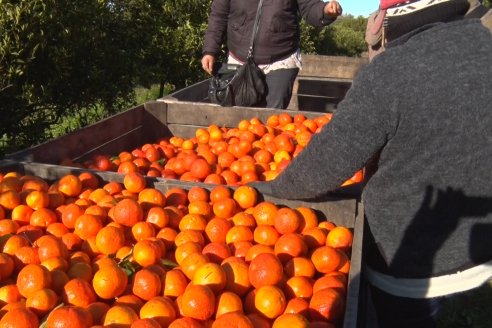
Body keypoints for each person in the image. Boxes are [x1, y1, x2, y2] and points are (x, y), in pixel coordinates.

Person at [249, 0, 492, 327]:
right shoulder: (485, 46)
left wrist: (263, 191)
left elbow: (322, 167)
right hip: (481, 254)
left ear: (391, 18)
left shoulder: (393, 71)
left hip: (411, 272)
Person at [201, 0, 343, 109]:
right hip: (239, 61)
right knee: (240, 121)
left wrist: (325, 11)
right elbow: (218, 16)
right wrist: (210, 50)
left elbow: (310, 6)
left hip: (280, 60)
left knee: (271, 121)